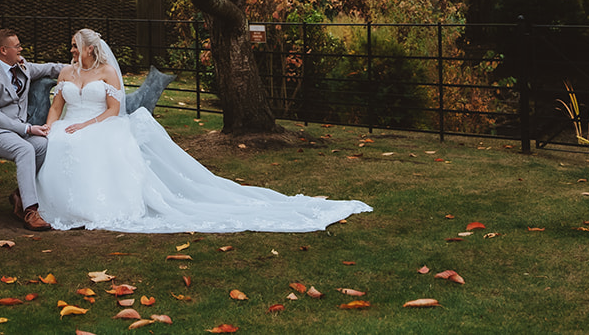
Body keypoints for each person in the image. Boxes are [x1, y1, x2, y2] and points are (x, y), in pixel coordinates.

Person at [35, 28, 372, 233]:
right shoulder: (67, 72)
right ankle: (57, 207)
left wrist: (85, 125)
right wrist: (51, 127)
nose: (72, 52)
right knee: (61, 143)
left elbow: (113, 110)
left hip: (101, 123)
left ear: (91, 49)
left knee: (87, 143)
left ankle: (96, 206)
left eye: (75, 46)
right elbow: (56, 106)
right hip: (68, 124)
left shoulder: (107, 72)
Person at [0, 28, 65, 230]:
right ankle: (30, 212)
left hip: (16, 131)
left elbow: (49, 68)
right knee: (25, 149)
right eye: (17, 46)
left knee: (43, 145)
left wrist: (82, 69)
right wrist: (28, 128)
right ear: (4, 50)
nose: (21, 49)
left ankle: (19, 196)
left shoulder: (21, 66)